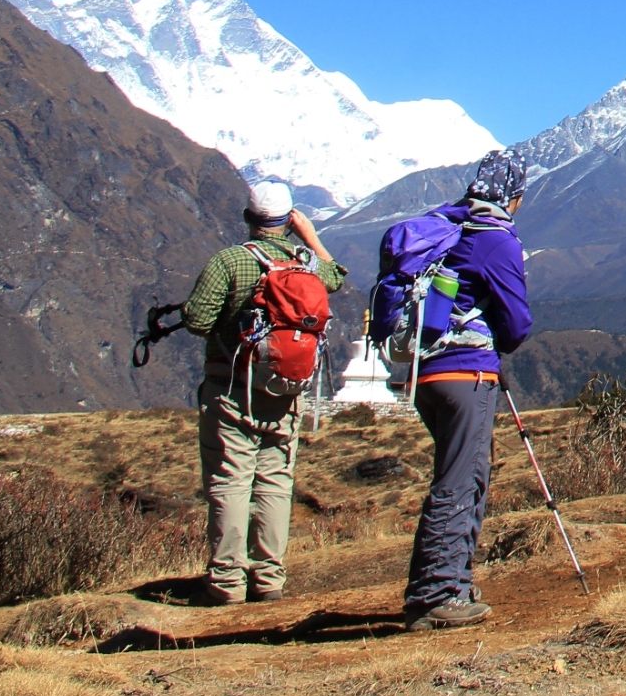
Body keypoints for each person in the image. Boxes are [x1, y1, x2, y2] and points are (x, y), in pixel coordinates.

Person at [374, 150, 533, 631]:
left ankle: (454, 582)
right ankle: (436, 594)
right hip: (467, 374)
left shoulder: (443, 227)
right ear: (514, 195)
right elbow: (516, 325)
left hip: (424, 371)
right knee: (461, 481)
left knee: (460, 473)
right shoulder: (495, 239)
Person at [181, 179, 347, 605]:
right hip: (285, 391)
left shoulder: (229, 261)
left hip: (232, 387)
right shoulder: (306, 263)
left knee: (231, 480)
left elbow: (198, 320)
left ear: (248, 217)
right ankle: (268, 578)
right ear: (289, 220)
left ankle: (227, 582)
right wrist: (310, 237)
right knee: (275, 480)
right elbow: (336, 278)